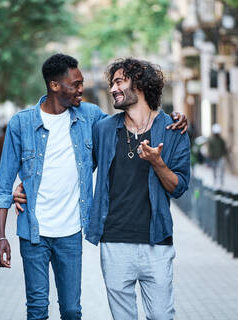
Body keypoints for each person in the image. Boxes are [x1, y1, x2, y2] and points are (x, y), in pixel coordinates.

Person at [0, 53, 187, 320]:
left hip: (93, 233)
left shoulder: (94, 117)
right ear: (54, 85)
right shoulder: (28, 124)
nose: (84, 88)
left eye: (119, 82)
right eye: (76, 84)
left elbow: (135, 120)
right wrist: (4, 229)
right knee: (37, 308)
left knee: (74, 310)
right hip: (57, 233)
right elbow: (11, 183)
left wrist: (172, 124)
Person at [86, 58, 190, 319]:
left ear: (140, 84)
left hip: (157, 242)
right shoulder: (104, 129)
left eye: (119, 82)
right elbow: (80, 168)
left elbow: (178, 187)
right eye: (112, 84)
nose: (112, 89)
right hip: (114, 242)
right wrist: (28, 186)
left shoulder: (172, 130)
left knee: (161, 316)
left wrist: (158, 163)